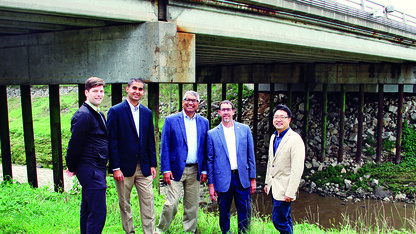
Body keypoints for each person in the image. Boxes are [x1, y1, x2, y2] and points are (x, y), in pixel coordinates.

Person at [107, 78, 157, 234]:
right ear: (127, 89)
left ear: (143, 92)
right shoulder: (115, 111)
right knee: (125, 203)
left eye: (141, 89)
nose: (137, 91)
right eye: (134, 88)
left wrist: (153, 164)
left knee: (148, 202)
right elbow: (112, 141)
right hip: (123, 167)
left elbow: (150, 140)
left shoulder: (147, 113)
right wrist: (115, 167)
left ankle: (149, 231)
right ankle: (130, 232)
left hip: (144, 166)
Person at [157, 90, 209, 233]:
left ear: (198, 104)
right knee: (171, 203)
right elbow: (165, 146)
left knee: (192, 206)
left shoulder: (204, 122)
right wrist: (165, 169)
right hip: (175, 169)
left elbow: (205, 148)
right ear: (183, 101)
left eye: (194, 101)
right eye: (188, 99)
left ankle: (189, 231)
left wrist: (204, 170)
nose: (190, 103)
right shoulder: (171, 120)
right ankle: (160, 230)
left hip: (195, 170)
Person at [65, 77, 108, 234]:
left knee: (88, 209)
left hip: (96, 167)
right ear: (86, 92)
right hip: (90, 169)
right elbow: (74, 144)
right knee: (98, 213)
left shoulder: (98, 113)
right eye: (95, 91)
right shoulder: (84, 115)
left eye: (101, 91)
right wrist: (72, 166)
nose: (99, 94)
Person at [207, 100, 256, 234]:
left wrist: (253, 179)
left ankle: (244, 232)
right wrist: (211, 184)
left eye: (228, 109)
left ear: (233, 112)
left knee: (245, 211)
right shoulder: (212, 134)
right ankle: (225, 232)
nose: (226, 112)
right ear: (219, 113)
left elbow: (250, 155)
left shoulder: (245, 130)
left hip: (242, 178)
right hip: (222, 179)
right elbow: (210, 160)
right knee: (224, 212)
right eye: (223, 110)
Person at [264, 104, 305, 234]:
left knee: (278, 220)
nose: (278, 120)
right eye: (276, 117)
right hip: (274, 185)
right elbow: (271, 162)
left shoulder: (295, 140)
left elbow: (297, 168)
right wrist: (267, 182)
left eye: (282, 117)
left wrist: (291, 191)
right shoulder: (273, 137)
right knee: (286, 218)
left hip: (285, 189)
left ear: (289, 120)